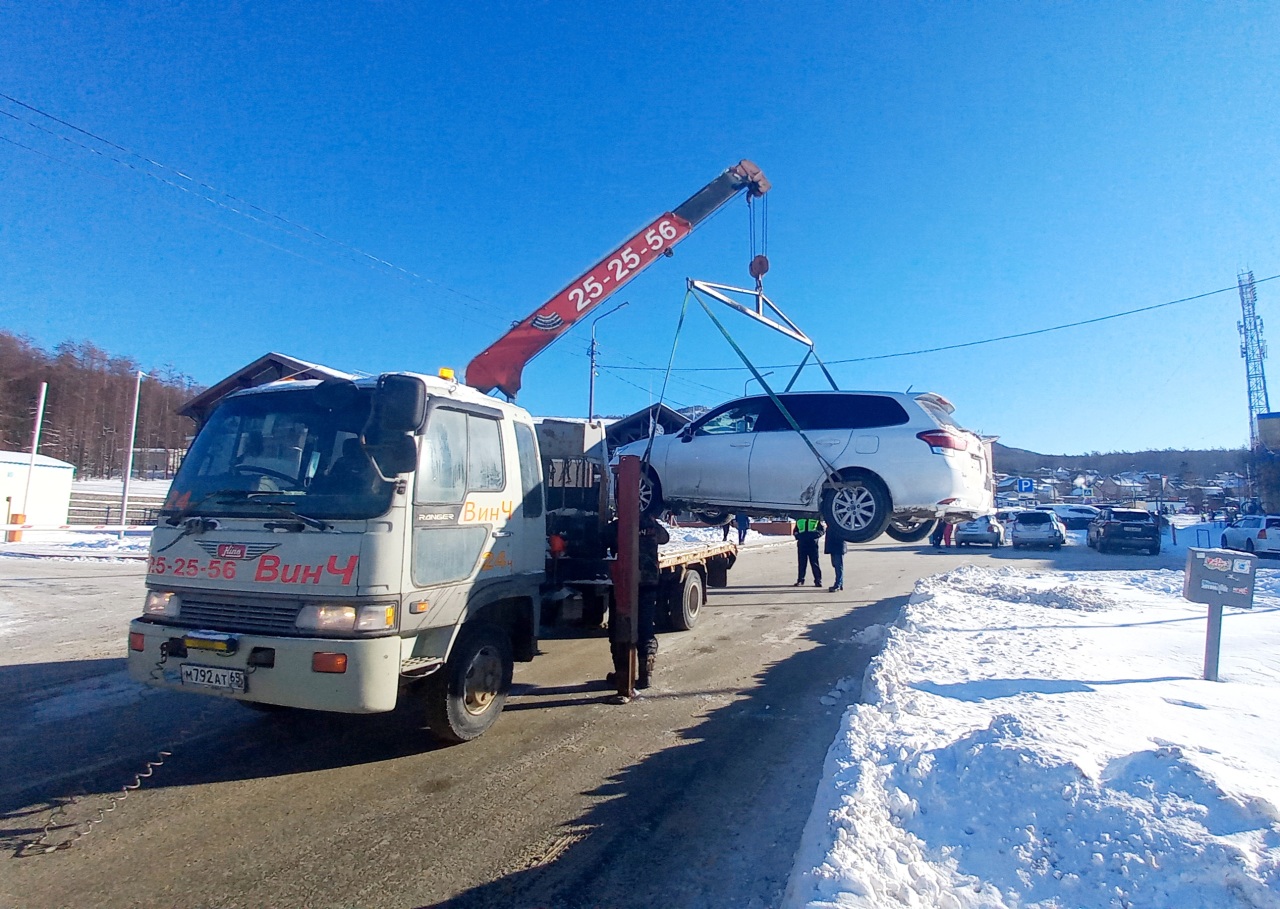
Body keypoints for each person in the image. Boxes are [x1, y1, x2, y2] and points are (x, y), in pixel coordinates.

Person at [604, 512, 669, 692]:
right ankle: (645, 674)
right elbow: (665, 538)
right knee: (646, 628)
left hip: (624, 582)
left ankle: (622, 673)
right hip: (648, 581)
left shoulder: (618, 526)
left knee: (619, 628)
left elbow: (601, 541)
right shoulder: (652, 525)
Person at [793, 516, 823, 587]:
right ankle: (800, 580)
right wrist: (798, 536)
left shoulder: (815, 519)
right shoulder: (800, 519)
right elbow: (795, 531)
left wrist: (814, 536)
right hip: (802, 544)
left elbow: (821, 531)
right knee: (802, 563)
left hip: (812, 544)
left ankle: (818, 581)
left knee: (814, 563)